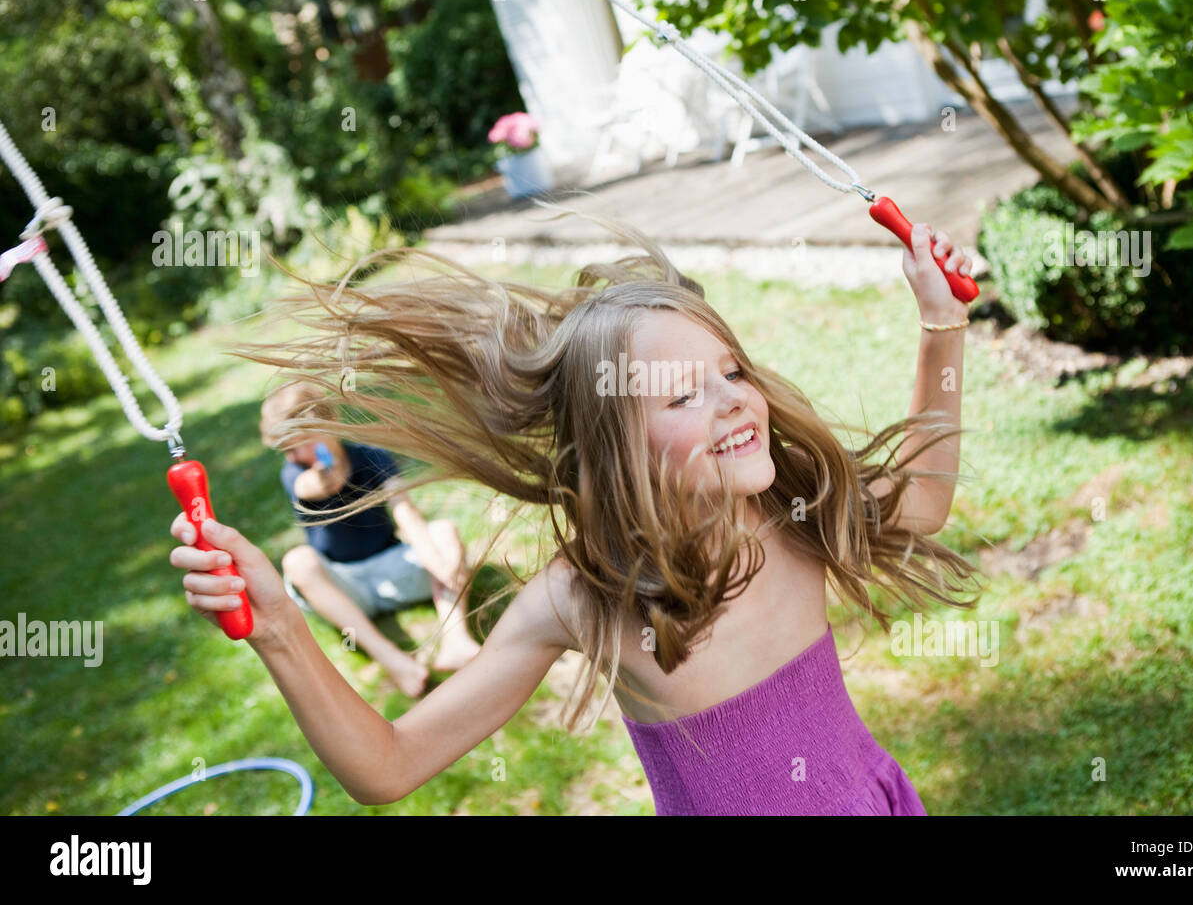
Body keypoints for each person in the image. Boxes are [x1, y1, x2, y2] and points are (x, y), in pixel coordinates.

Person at [169, 201, 985, 813]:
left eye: (733, 372)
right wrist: (279, 626)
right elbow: (388, 764)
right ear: (618, 441)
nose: (733, 401)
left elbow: (930, 498)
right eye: (683, 395)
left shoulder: (791, 511)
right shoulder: (588, 595)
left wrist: (941, 323)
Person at [258, 380, 481, 697]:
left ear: (330, 424)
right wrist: (325, 470)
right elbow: (314, 487)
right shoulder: (294, 472)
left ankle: (456, 638)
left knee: (443, 532)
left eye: (300, 443)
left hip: (390, 568)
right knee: (297, 561)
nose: (294, 455)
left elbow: (404, 510)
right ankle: (393, 659)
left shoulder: (371, 456)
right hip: (343, 586)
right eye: (287, 450)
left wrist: (434, 558)